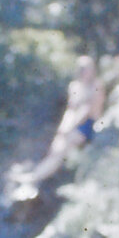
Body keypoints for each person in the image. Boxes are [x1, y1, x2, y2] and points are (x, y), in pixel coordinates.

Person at [23, 56, 107, 186]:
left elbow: (87, 110)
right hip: (74, 124)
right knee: (56, 147)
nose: (86, 72)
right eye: (83, 69)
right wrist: (63, 129)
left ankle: (35, 177)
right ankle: (36, 175)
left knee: (62, 148)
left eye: (88, 68)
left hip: (90, 123)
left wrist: (69, 128)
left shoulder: (96, 85)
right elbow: (71, 111)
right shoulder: (75, 86)